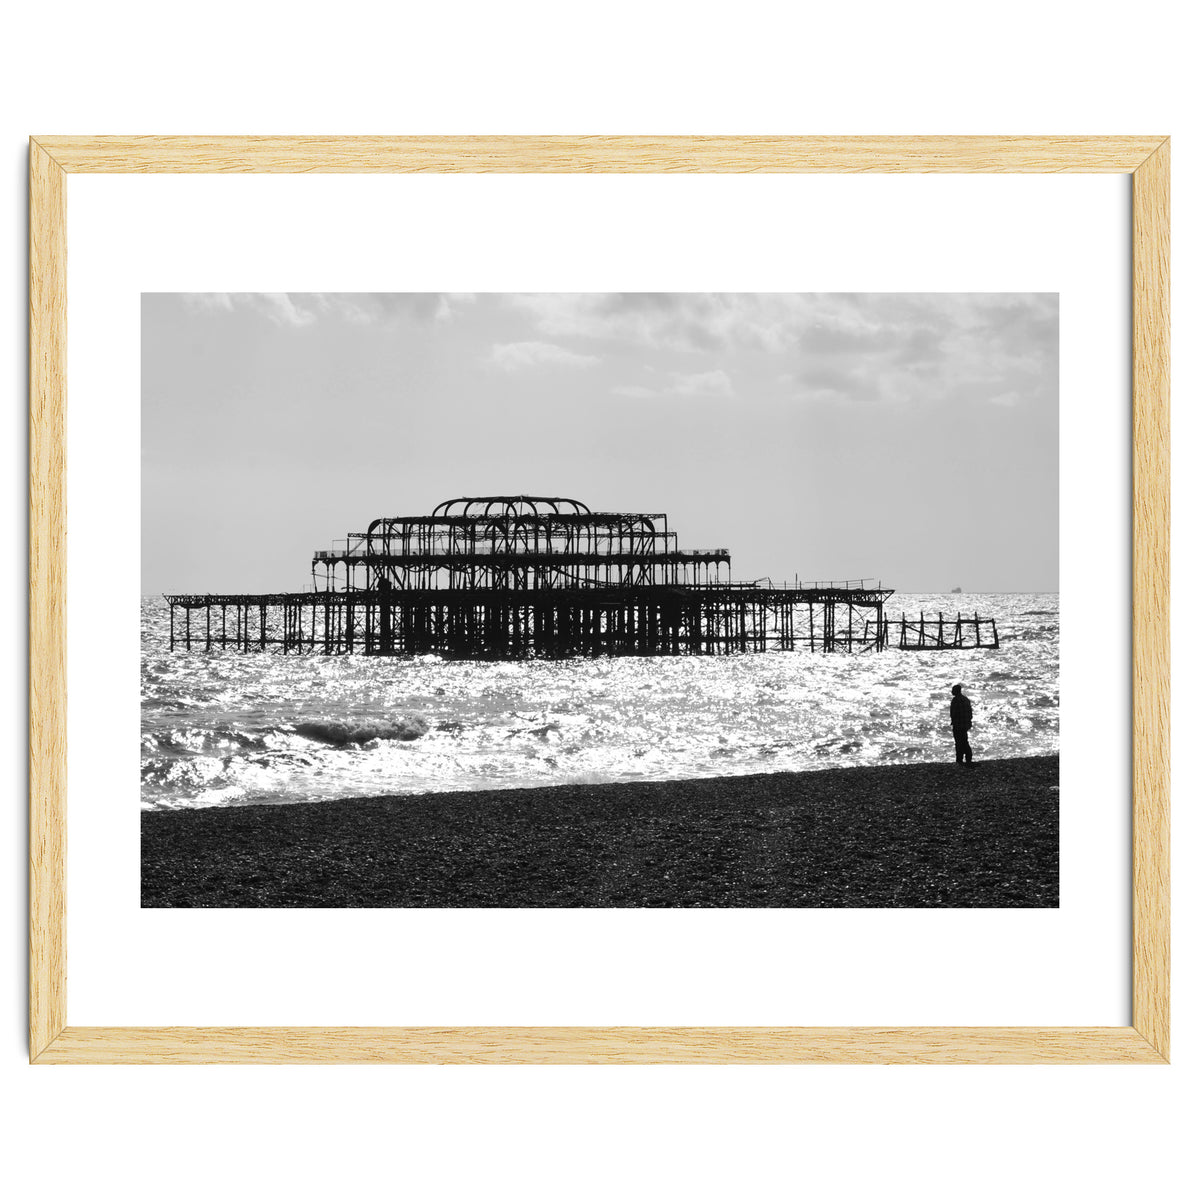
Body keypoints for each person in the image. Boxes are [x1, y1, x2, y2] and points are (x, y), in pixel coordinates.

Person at [950, 683, 974, 766]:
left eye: (953, 690)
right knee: (964, 741)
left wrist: (954, 722)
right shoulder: (965, 699)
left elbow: (954, 714)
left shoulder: (955, 700)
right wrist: (968, 722)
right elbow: (970, 713)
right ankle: (968, 758)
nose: (951, 692)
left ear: (956, 691)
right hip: (965, 724)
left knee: (959, 742)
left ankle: (959, 759)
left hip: (958, 724)